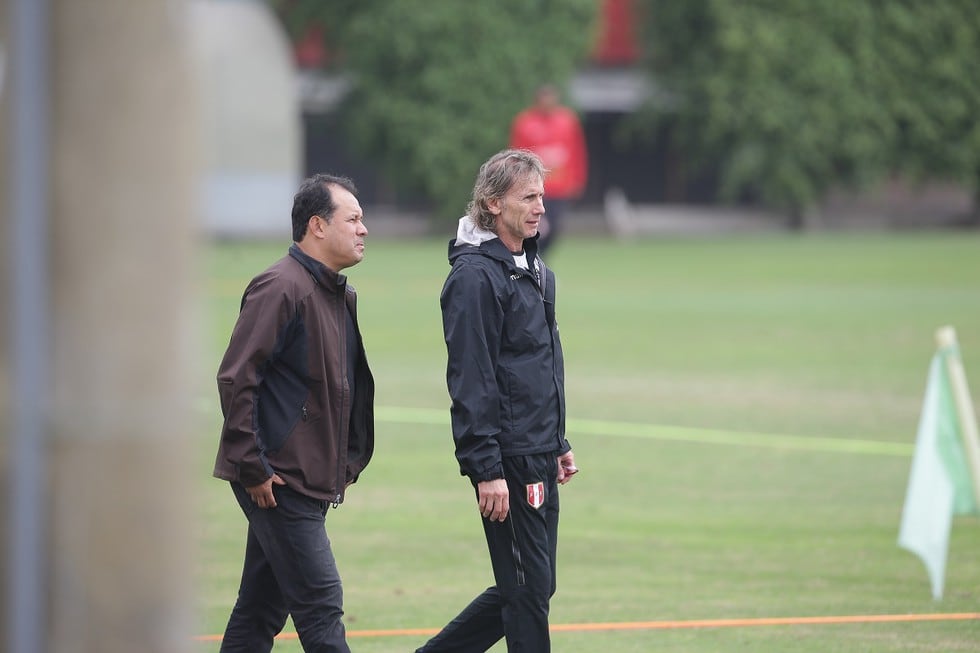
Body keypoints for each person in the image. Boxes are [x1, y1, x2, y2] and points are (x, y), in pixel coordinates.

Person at [416, 149, 579, 653]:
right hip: (507, 458)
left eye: (541, 197)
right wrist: (487, 469)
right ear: (492, 203)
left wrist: (558, 441)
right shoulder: (474, 278)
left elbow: (536, 365)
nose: (539, 209)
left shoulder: (531, 268)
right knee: (528, 592)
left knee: (534, 585)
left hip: (538, 449)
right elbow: (472, 379)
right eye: (528, 198)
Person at [212, 173, 375, 653]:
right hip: (279, 482)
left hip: (303, 476)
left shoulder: (334, 292)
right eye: (354, 218)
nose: (364, 229)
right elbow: (237, 378)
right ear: (317, 226)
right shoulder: (280, 286)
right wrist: (253, 465)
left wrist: (343, 464)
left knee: (260, 610)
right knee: (322, 606)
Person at [508, 83, 589, 256]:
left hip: (560, 187)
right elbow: (516, 155)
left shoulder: (568, 121)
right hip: (534, 186)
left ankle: (539, 260)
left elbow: (577, 151)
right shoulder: (525, 122)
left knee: (555, 226)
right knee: (534, 225)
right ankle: (531, 260)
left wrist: (578, 179)